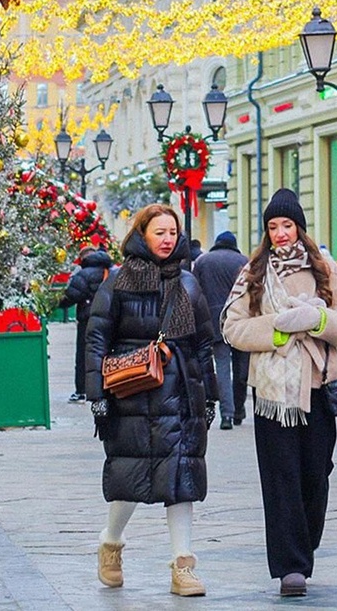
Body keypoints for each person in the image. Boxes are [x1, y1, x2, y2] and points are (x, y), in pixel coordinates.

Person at [222, 188, 337, 596]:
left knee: (316, 475)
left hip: (318, 389)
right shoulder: (252, 273)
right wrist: (279, 329)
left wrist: (316, 318)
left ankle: (304, 543)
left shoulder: (325, 269)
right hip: (272, 396)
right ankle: (290, 567)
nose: (280, 233)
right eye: (273, 226)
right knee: (280, 478)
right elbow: (232, 328)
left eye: (286, 225)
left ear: (299, 227)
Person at [84, 204, 218, 597]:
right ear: (142, 235)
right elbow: (96, 340)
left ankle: (184, 566)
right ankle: (110, 543)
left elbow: (203, 343)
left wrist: (209, 395)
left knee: (182, 481)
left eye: (172, 233)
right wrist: (97, 396)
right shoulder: (119, 283)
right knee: (130, 481)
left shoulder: (189, 284)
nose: (167, 240)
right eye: (159, 232)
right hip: (132, 396)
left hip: (181, 398)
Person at [193, 230, 250, 428]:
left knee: (223, 367)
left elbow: (195, 291)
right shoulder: (243, 261)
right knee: (242, 370)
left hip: (215, 321)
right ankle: (239, 409)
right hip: (241, 320)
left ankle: (226, 414)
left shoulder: (203, 261)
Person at [58, 245, 116, 403]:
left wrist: (56, 303)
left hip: (88, 320)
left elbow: (71, 296)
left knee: (85, 356)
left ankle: (84, 391)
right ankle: (110, 385)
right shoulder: (113, 271)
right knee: (108, 353)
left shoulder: (83, 274)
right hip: (111, 319)